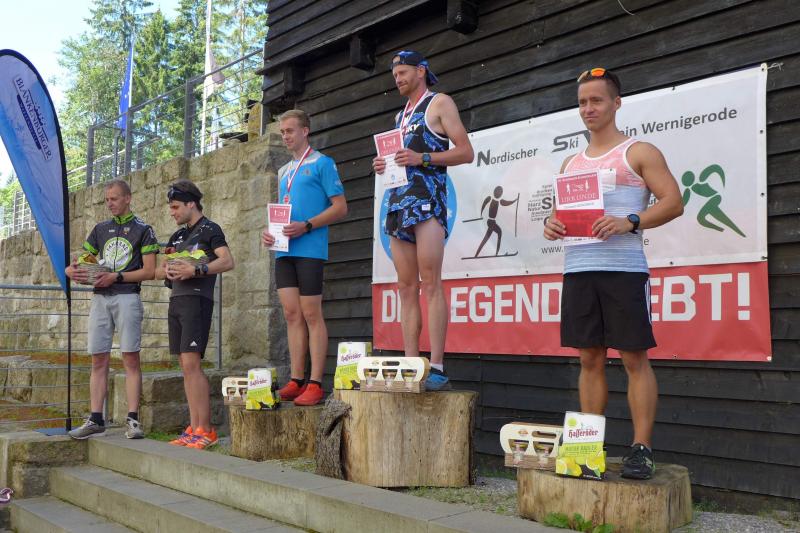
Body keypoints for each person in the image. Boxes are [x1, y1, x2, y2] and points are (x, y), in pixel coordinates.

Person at [543, 67, 684, 479]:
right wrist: (552, 224)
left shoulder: (638, 151)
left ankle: (642, 449)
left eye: (597, 100)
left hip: (623, 270)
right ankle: (588, 448)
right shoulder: (571, 162)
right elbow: (560, 214)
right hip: (579, 269)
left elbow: (673, 201)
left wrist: (630, 220)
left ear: (616, 103)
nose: (588, 108)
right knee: (588, 358)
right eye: (582, 102)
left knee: (634, 357)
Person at [372, 50, 474, 391]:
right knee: (405, 288)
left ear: (421, 71)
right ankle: (411, 364)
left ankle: (438, 365)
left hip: (427, 203)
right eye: (395, 75)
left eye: (403, 72)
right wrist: (383, 164)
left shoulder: (439, 103)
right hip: (397, 204)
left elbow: (466, 151)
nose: (398, 79)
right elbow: (400, 159)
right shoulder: (400, 115)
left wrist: (423, 157)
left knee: (431, 283)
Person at [262, 109, 347, 406]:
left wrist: (307, 225)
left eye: (290, 130)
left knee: (311, 313)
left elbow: (340, 207)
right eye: (282, 132)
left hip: (310, 248)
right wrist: (269, 232)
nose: (285, 136)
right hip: (284, 250)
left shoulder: (323, 163)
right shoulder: (284, 171)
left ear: (305, 131)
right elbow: (283, 210)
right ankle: (297, 379)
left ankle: (315, 383)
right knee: (291, 314)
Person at [65, 179, 158, 440]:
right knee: (98, 358)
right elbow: (84, 261)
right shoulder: (100, 229)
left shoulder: (144, 229)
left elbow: (150, 271)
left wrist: (115, 276)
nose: (110, 203)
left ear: (128, 198)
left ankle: (133, 420)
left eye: (114, 199)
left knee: (130, 357)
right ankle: (96, 418)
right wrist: (73, 270)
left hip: (127, 296)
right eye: (107, 199)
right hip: (100, 298)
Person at [157, 180, 234, 449]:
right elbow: (164, 273)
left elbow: (227, 260)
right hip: (177, 300)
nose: (172, 212)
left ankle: (207, 430)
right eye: (171, 207)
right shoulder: (177, 237)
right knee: (185, 366)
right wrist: (168, 269)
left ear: (191, 203)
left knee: (192, 364)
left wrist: (196, 270)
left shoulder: (211, 229)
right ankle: (194, 427)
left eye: (176, 207)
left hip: (197, 301)